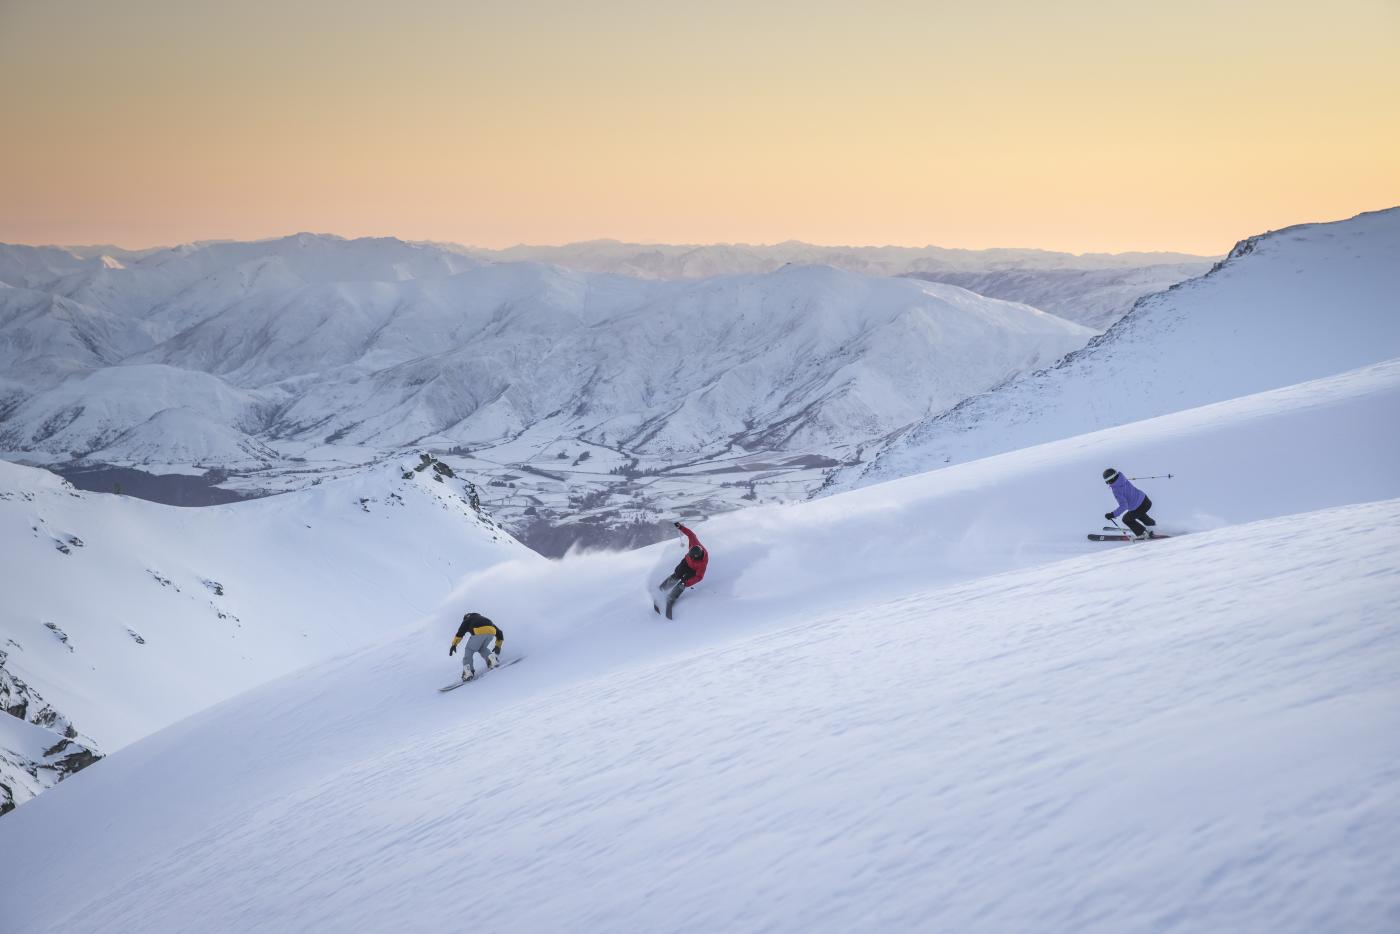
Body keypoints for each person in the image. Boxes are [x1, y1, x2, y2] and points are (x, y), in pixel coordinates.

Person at [657, 521, 708, 618]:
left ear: (697, 557)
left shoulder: (703, 563)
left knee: (683, 583)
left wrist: (688, 583)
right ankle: (663, 588)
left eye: (693, 557)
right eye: (690, 554)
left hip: (693, 570)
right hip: (686, 562)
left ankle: (671, 598)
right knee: (677, 575)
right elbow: (691, 534)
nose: (691, 556)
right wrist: (680, 527)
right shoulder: (694, 544)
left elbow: (699, 577)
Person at [1103, 467, 1158, 539]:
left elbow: (1124, 506)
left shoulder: (1116, 489)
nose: (1108, 483)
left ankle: (1142, 533)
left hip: (1137, 507)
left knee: (1126, 519)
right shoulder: (1122, 478)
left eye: (1108, 481)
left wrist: (1112, 514)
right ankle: (1155, 528)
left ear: (1111, 479)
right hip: (1146, 501)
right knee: (1140, 515)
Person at [448, 612, 505, 681]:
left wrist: (454, 645)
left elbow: (460, 632)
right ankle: (492, 660)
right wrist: (498, 646)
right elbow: (499, 632)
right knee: (482, 648)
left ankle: (468, 672)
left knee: (469, 649)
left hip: (479, 631)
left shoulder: (467, 620)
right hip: (491, 632)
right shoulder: (484, 619)